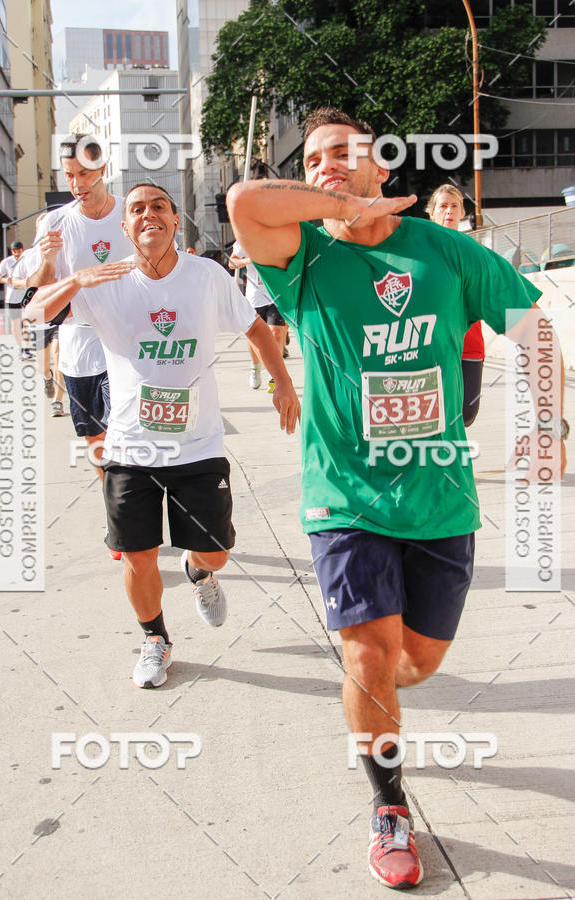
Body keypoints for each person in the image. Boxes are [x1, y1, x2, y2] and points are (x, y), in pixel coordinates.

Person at [227, 107, 567, 890]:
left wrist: (551, 420)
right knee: (366, 654)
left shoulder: (446, 252)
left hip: (439, 495)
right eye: (314, 160)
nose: (328, 164)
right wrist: (343, 210)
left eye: (346, 152)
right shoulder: (300, 258)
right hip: (344, 495)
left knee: (413, 661)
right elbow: (246, 200)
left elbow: (536, 332)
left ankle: (375, 697)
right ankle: (388, 809)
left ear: (386, 165)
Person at [30, 182, 300, 690]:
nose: (148, 214)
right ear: (125, 226)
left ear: (176, 220)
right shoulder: (105, 283)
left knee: (217, 549)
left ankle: (200, 571)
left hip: (199, 445)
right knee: (137, 555)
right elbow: (32, 314)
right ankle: (155, 637)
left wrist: (282, 383)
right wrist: (76, 279)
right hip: (130, 447)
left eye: (159, 207)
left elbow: (256, 328)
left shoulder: (206, 276)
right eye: (136, 209)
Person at [30, 133, 134, 558]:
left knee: (126, 435)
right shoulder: (53, 223)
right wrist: (50, 260)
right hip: (78, 346)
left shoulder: (132, 211)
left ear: (103, 169)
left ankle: (130, 518)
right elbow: (41, 291)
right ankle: (116, 509)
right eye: (70, 175)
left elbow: (164, 264)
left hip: (127, 343)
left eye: (85, 173)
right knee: (96, 440)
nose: (77, 183)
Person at [426, 184, 484, 427]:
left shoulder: (476, 253)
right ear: (431, 213)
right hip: (431, 345)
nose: (448, 211)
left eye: (454, 206)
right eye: (443, 206)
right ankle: (442, 461)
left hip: (469, 347)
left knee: (466, 414)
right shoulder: (423, 253)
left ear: (462, 213)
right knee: (432, 415)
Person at [11, 223, 66, 417]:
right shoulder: (28, 256)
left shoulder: (67, 248)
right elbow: (14, 280)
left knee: (58, 356)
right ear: (39, 230)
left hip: (62, 313)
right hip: (38, 315)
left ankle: (57, 401)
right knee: (42, 364)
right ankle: (47, 377)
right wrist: (29, 282)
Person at [228, 240, 288, 390]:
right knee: (254, 337)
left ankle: (275, 374)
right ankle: (255, 368)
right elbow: (231, 262)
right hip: (255, 297)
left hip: (276, 295)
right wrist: (249, 260)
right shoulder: (246, 236)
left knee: (277, 334)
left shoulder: (279, 235)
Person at [0, 241, 32, 359]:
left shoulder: (28, 259)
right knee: (15, 324)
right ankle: (20, 347)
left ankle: (26, 348)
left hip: (26, 295)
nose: (17, 253)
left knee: (27, 323)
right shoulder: (7, 262)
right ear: (12, 251)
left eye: (19, 251)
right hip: (12, 297)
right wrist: (7, 280)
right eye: (14, 251)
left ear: (23, 249)